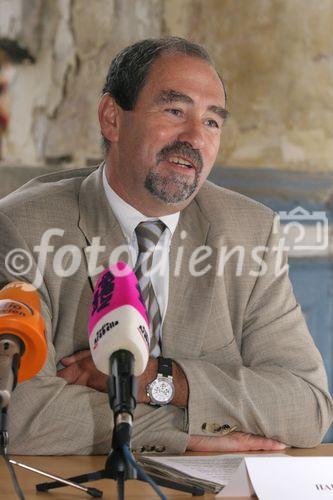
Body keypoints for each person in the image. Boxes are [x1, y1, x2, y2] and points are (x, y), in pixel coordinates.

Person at [0, 37, 332, 455]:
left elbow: (306, 405)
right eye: (175, 111)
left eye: (212, 122)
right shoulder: (24, 227)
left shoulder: (252, 232)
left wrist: (161, 380)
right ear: (111, 119)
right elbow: (18, 415)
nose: (195, 138)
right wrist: (185, 434)